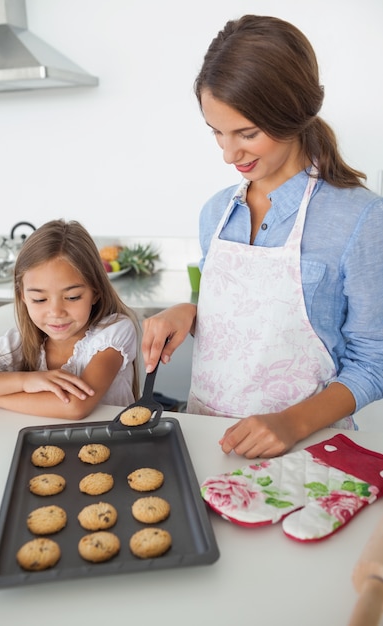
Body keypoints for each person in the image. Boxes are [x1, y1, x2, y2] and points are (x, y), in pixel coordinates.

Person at [142, 14, 383, 458]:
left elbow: (374, 362)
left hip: (309, 450)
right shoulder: (216, 211)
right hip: (207, 440)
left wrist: (291, 423)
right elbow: (249, 324)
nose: (228, 153)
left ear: (293, 114)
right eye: (216, 132)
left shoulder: (360, 219)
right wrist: (188, 313)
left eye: (246, 134)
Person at [0, 219, 139, 419]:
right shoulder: (20, 344)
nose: (56, 312)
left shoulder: (114, 331)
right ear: (23, 296)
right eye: (39, 299)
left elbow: (75, 406)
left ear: (96, 291)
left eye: (72, 297)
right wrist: (25, 381)